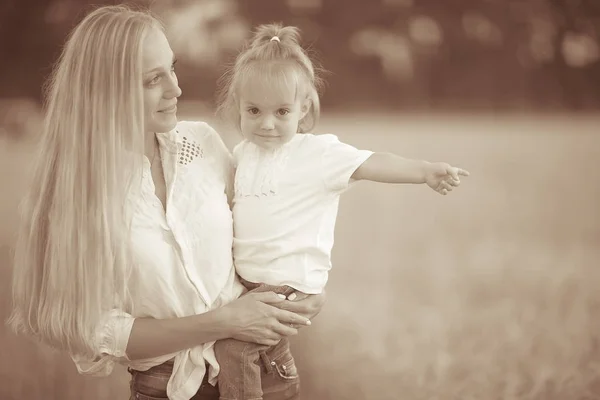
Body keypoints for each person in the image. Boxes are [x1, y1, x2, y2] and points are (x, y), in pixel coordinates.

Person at [7, 6, 326, 400]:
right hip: (167, 388)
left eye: (171, 68)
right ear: (104, 90)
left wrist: (303, 290)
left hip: (267, 370)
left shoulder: (203, 144)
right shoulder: (77, 193)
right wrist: (222, 322)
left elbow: (261, 232)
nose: (175, 89)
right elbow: (91, 330)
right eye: (153, 79)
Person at [213, 23, 470, 400]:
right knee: (244, 350)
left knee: (234, 348)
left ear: (304, 110)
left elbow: (372, 162)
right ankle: (279, 386)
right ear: (237, 106)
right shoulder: (242, 154)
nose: (266, 123)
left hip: (286, 284)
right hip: (245, 283)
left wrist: (424, 171)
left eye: (281, 111)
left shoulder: (316, 154)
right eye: (254, 110)